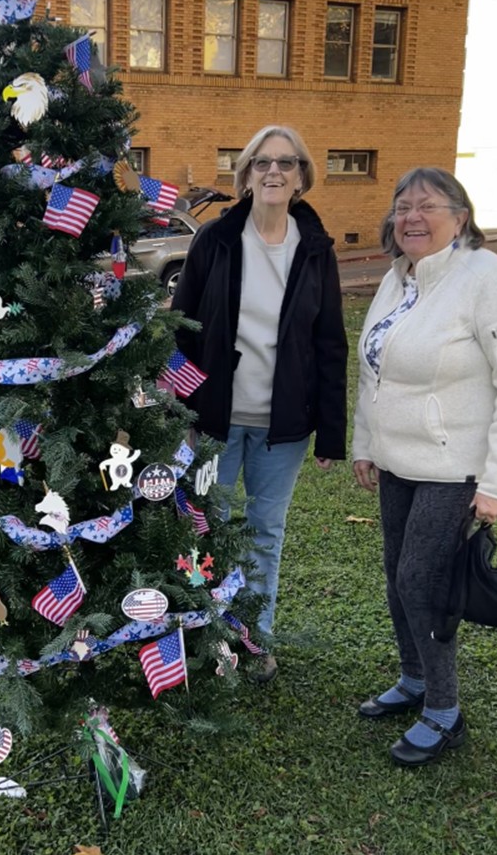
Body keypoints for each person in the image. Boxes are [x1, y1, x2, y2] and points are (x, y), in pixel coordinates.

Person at [353, 167, 497, 766]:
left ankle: (444, 710)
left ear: (461, 217)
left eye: (427, 206)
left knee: (421, 582)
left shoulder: (490, 280)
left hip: (454, 466)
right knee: (395, 574)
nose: (411, 216)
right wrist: (365, 443)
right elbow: (372, 365)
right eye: (402, 206)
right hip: (398, 460)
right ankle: (414, 680)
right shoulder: (398, 277)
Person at [172, 125, 348, 680]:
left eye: (286, 163)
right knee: (210, 531)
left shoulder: (315, 248)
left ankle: (256, 641)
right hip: (216, 419)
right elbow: (181, 329)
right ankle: (212, 639)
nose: (274, 172)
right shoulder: (216, 240)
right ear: (246, 175)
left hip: (285, 425)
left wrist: (333, 431)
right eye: (262, 163)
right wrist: (181, 415)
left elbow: (330, 341)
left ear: (301, 177)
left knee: (265, 535)